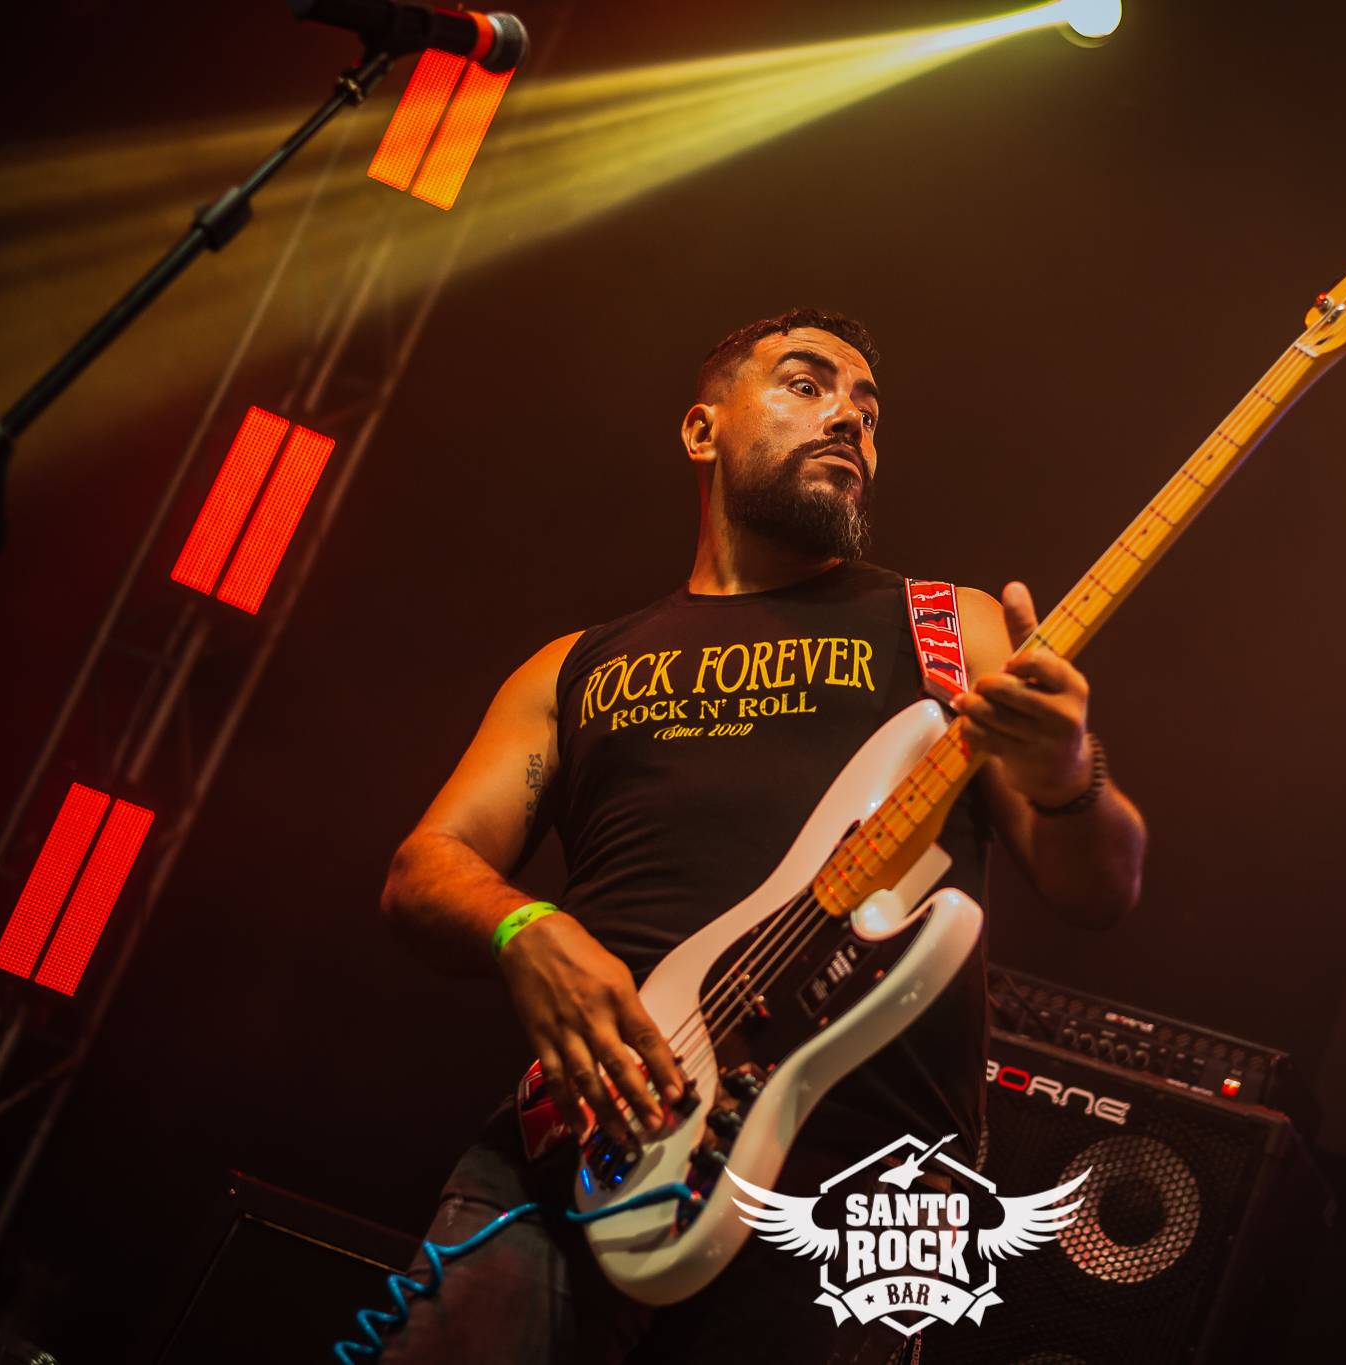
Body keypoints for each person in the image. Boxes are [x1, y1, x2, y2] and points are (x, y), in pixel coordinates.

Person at [376, 309, 1146, 1363]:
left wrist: (1066, 775)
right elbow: (424, 867)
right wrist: (523, 932)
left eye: (867, 408)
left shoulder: (946, 626)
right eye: (805, 384)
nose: (849, 419)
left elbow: (1100, 889)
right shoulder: (572, 667)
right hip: (581, 1151)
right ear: (702, 431)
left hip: (862, 1193)